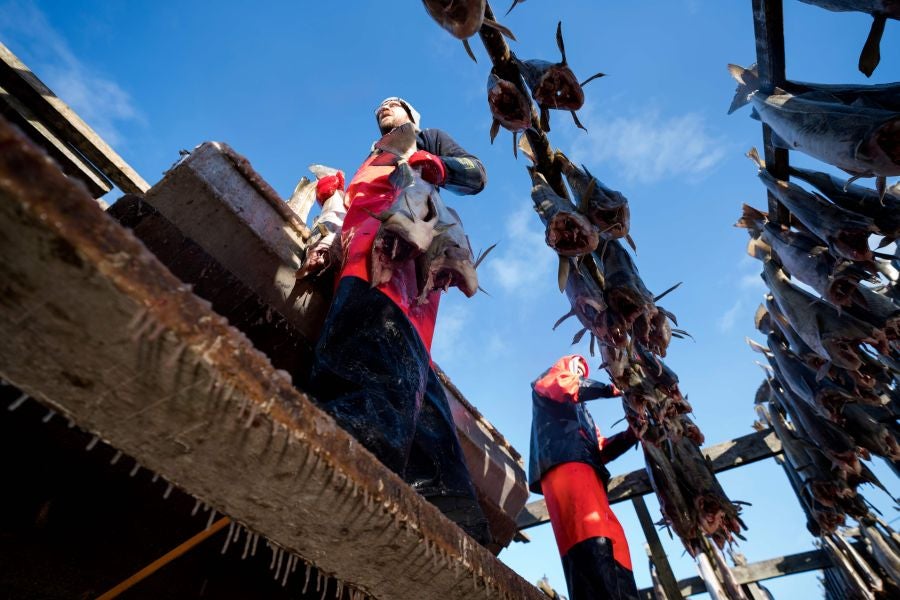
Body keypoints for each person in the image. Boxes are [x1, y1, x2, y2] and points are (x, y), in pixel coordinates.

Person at [308, 97, 491, 544]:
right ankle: (453, 514)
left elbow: (476, 173)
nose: (385, 106)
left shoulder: (427, 139)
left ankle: (339, 473)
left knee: (374, 359)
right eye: (380, 108)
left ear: (414, 117)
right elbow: (346, 214)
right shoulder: (369, 158)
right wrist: (332, 203)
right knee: (409, 377)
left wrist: (438, 165)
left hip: (400, 253)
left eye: (396, 104)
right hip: (356, 252)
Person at [529, 354, 640, 600]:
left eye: (583, 369)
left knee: (615, 543)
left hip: (593, 476)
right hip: (565, 467)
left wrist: (631, 435)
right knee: (588, 535)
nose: (580, 372)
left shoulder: (585, 416)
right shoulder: (548, 379)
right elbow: (563, 385)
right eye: (576, 367)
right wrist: (611, 388)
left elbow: (600, 449)